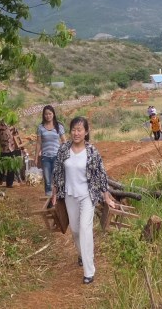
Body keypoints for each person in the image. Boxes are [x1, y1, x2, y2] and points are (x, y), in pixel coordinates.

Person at [51, 116, 118, 285]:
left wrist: (106, 196)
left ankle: (89, 270)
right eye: (73, 129)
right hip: (69, 195)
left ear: (86, 132)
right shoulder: (64, 149)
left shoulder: (92, 152)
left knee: (85, 230)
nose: (76, 133)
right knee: (75, 230)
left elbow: (101, 174)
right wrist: (54, 193)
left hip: (87, 196)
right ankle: (81, 254)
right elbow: (57, 172)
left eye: (79, 130)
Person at [33, 105, 66, 197]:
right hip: (45, 157)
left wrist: (64, 154)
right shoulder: (40, 127)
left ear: (53, 114)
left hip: (57, 156)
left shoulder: (59, 126)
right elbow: (38, 143)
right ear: (43, 115)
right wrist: (36, 158)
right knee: (47, 180)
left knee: (55, 178)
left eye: (50, 114)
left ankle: (56, 197)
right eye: (46, 114)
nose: (48, 116)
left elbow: (64, 141)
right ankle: (49, 199)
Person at [0, 121, 22, 188]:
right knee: (2, 166)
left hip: (11, 148)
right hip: (2, 149)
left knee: (11, 166)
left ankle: (9, 184)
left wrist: (20, 145)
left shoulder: (12, 123)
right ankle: (0, 179)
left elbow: (16, 136)